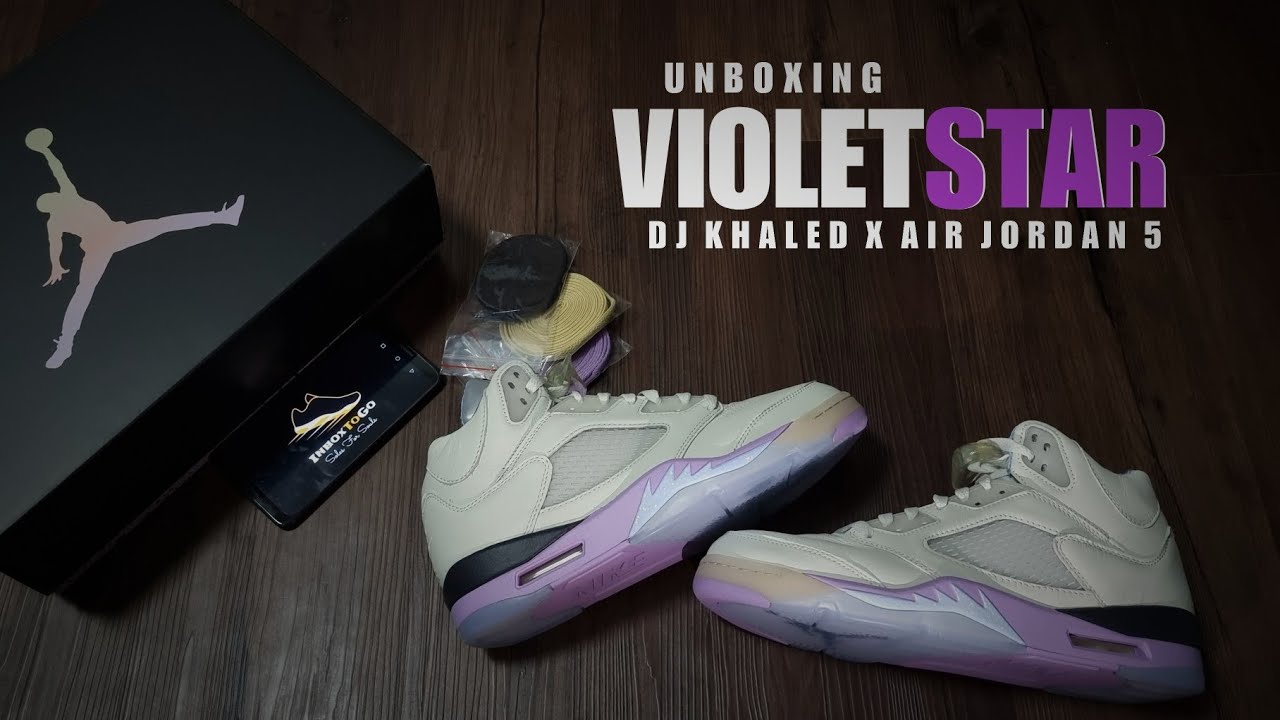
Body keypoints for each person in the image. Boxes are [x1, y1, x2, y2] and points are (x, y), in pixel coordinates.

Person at [26, 128, 245, 369]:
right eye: (52, 199)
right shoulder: (59, 215)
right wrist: (56, 265)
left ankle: (223, 216)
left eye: (53, 196)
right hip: (98, 246)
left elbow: (58, 170)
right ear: (51, 206)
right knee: (84, 291)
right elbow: (55, 244)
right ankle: (65, 345)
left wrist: (46, 151)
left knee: (163, 225)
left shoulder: (68, 197)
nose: (55, 197)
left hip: (114, 234)